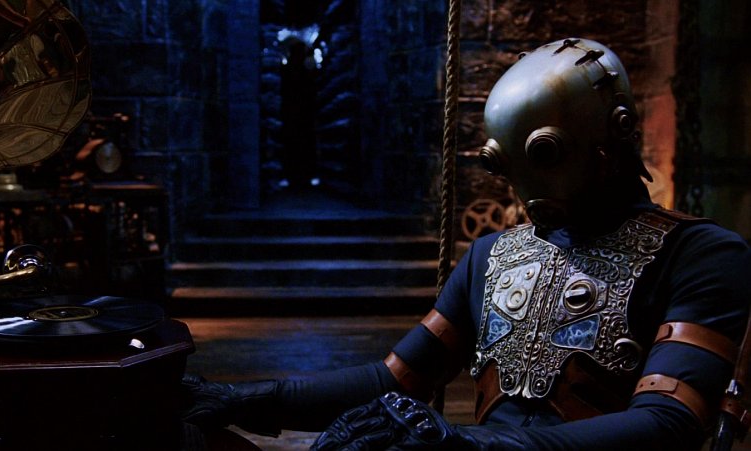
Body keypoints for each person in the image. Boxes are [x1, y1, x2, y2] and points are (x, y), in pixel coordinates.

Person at [181, 38, 751, 450]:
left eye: (544, 156)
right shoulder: (492, 257)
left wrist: (470, 444)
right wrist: (250, 398)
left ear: (611, 137)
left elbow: (667, 421)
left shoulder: (699, 255)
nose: (528, 188)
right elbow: (396, 377)